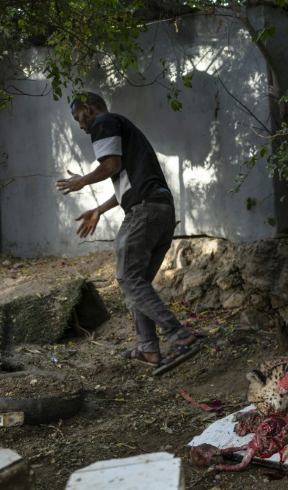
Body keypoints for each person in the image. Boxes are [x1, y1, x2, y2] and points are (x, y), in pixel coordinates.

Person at [56, 92, 199, 369]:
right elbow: (125, 180)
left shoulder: (103, 122)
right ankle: (149, 349)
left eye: (78, 118)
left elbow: (111, 165)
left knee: (128, 279)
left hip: (144, 212)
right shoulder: (123, 131)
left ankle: (179, 335)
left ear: (88, 109)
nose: (80, 125)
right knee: (136, 281)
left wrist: (82, 181)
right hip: (161, 212)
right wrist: (99, 209)